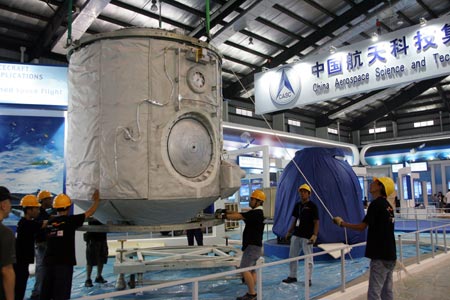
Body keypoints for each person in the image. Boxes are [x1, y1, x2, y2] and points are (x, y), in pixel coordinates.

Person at [333, 177, 396, 300]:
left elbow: (362, 227)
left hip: (380, 255)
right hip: (390, 255)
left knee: (374, 293)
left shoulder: (375, 204)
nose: (371, 184)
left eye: (375, 182)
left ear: (380, 187)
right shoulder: (388, 206)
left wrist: (342, 224)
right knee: (387, 292)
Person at [40, 189, 100, 300]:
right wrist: (96, 201)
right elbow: (89, 213)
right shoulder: (71, 220)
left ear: (55, 208)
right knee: (61, 295)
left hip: (47, 263)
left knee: (46, 294)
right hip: (63, 264)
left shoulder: (49, 222)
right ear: (68, 208)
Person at [220, 190, 265, 300]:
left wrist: (224, 216)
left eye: (252, 199)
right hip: (256, 247)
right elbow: (241, 214)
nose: (250, 201)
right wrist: (227, 212)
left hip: (252, 247)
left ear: (258, 202)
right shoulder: (257, 213)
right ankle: (252, 291)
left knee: (244, 269)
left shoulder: (255, 214)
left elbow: (238, 216)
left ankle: (252, 294)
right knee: (251, 270)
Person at [282, 183, 319, 286]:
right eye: (301, 192)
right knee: (292, 256)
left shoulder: (313, 206)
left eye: (304, 192)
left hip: (307, 236)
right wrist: (289, 232)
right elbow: (294, 219)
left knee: (308, 258)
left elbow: (316, 221)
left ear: (309, 194)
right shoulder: (297, 205)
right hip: (296, 234)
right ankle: (292, 276)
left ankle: (308, 279)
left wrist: (315, 235)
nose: (302, 193)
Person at [14, 195, 47, 300]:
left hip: (21, 261)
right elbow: (42, 224)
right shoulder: (26, 224)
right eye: (36, 208)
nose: (38, 211)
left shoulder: (24, 223)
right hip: (20, 261)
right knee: (19, 286)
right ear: (29, 210)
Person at [30, 190, 54, 300]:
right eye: (49, 199)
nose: (51, 200)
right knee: (41, 269)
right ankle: (37, 293)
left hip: (42, 244)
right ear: (44, 200)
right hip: (41, 244)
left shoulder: (43, 213)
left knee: (42, 268)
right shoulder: (40, 214)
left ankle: (39, 292)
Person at [0, 186, 15, 300]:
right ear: (3, 205)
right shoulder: (5, 233)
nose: (11, 207)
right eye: (10, 203)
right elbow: (6, 271)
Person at [84, 219, 108, 287]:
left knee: (102, 258)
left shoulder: (104, 211)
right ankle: (88, 279)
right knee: (90, 259)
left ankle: (99, 276)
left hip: (102, 236)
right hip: (92, 237)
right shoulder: (93, 211)